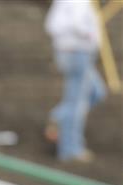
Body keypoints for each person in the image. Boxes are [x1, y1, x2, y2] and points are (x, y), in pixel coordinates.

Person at [44, 0, 106, 162]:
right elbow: (77, 23)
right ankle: (70, 150)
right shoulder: (80, 2)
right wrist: (90, 35)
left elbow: (51, 25)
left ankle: (58, 118)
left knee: (96, 91)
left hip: (67, 52)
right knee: (76, 103)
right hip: (78, 53)